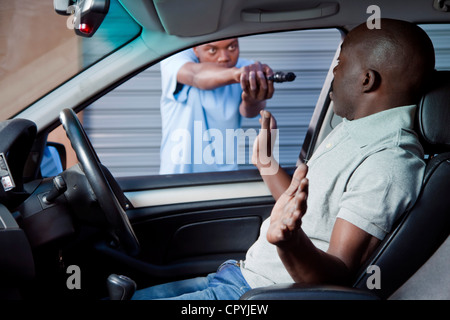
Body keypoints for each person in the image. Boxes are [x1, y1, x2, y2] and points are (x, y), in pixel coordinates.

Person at [132, 19, 435, 299]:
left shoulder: (387, 162)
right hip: (238, 275)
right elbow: (308, 208)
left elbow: (336, 279)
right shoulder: (353, 130)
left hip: (255, 293)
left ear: (366, 79)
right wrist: (266, 162)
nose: (333, 73)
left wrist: (290, 243)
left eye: (340, 64)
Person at [159, 38, 275, 174]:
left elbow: (249, 112)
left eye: (232, 47)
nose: (224, 58)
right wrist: (238, 74)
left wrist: (253, 98)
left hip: (223, 176)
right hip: (178, 176)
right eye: (213, 50)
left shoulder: (244, 68)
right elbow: (196, 75)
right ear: (195, 49)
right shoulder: (174, 61)